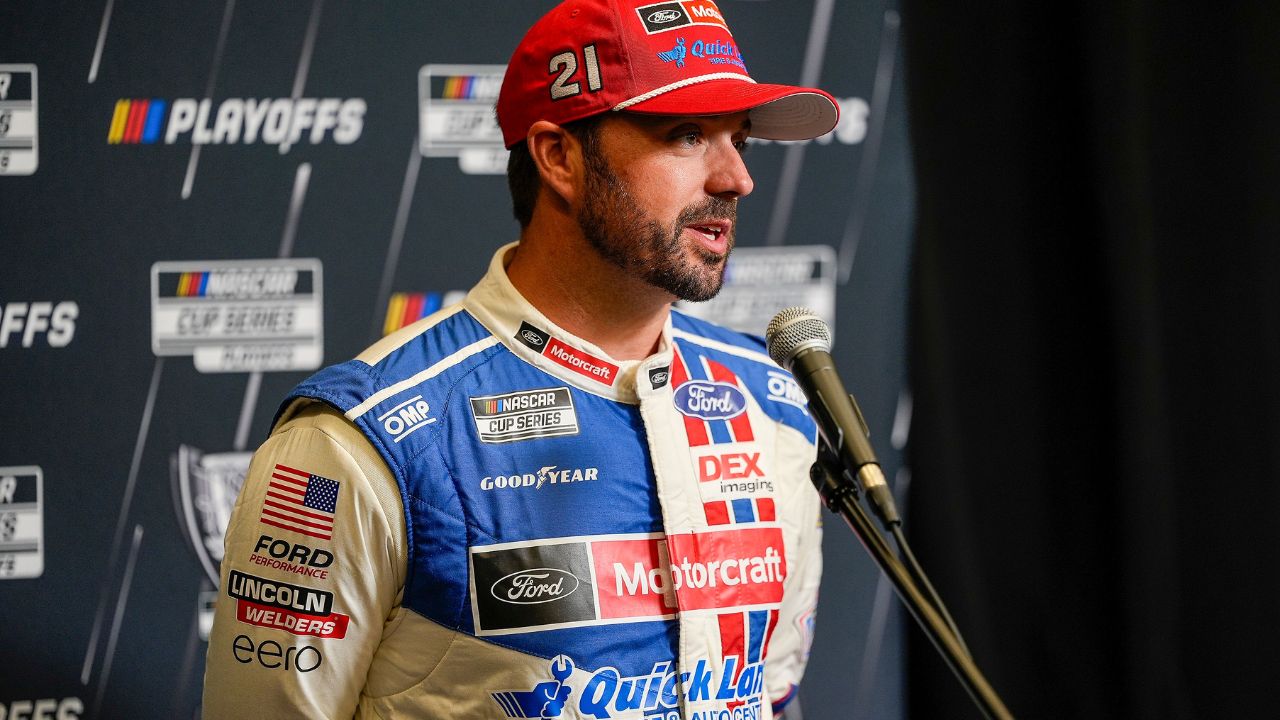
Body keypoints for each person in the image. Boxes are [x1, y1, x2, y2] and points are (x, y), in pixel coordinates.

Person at [202, 1, 839, 717]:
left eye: (741, 141)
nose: (735, 180)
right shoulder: (351, 443)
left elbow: (772, 695)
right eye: (687, 135)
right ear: (559, 157)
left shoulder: (774, 406)